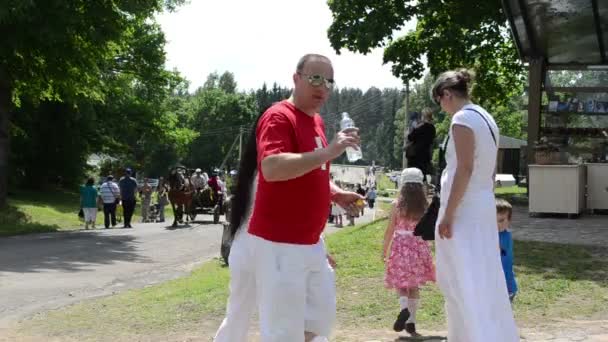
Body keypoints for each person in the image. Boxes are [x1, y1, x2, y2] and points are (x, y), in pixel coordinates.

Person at [236, 53, 362, 342]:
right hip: (279, 242)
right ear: (296, 78)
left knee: (318, 322)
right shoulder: (279, 116)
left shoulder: (315, 121)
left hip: (310, 243)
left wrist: (336, 194)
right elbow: (272, 167)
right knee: (283, 332)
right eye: (315, 78)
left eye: (329, 81)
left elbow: (313, 168)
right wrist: (330, 151)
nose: (323, 87)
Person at [214, 106, 338, 342]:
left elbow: (300, 196)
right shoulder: (271, 169)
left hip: (248, 248)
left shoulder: (254, 169)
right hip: (264, 248)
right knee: (286, 320)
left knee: (238, 315)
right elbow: (289, 210)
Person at [433, 69, 518, 341]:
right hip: (481, 203)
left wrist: (447, 214)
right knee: (483, 272)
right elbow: (489, 170)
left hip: (465, 207)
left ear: (446, 94)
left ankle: (471, 336)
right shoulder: (486, 117)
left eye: (440, 102)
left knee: (462, 277)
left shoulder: (462, 119)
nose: (442, 109)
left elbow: (464, 169)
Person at [382, 168, 435, 336]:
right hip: (418, 247)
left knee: (401, 283)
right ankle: (411, 321)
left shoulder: (396, 205)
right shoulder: (425, 205)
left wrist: (384, 250)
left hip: (400, 247)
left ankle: (404, 308)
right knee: (414, 286)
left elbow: (390, 230)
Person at [406, 108, 436, 182]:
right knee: (423, 178)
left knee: (414, 178)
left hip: (416, 157)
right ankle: (424, 193)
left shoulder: (421, 127)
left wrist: (407, 133)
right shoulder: (433, 128)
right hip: (426, 156)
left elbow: (410, 137)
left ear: (424, 116)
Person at [497, 199, 518, 303]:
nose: (497, 224)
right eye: (494, 220)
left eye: (502, 220)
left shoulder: (505, 236)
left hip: (507, 286)